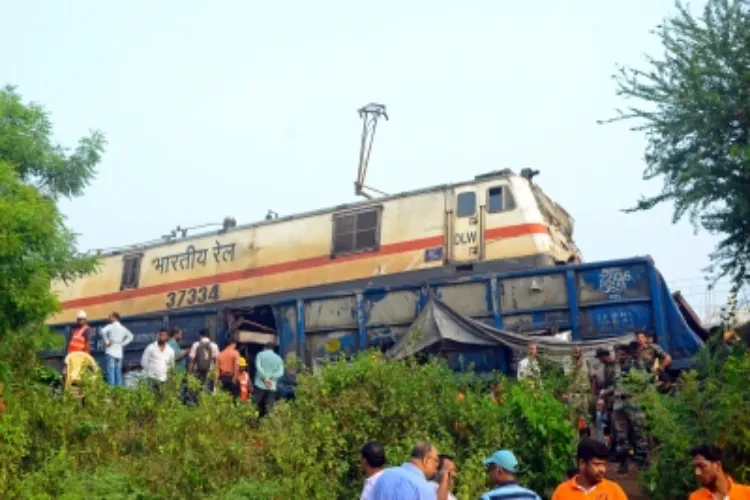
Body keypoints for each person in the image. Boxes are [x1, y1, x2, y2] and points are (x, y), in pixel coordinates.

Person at [371, 441, 454, 500]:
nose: (437, 465)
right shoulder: (424, 488)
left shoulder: (385, 475)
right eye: (436, 460)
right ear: (426, 460)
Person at [612, 343, 649, 473]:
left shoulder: (635, 365)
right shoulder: (616, 367)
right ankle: (623, 462)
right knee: (621, 435)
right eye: (618, 354)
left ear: (627, 354)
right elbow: (615, 384)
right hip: (618, 404)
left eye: (622, 354)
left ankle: (642, 461)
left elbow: (644, 380)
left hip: (633, 402)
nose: (620, 356)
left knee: (639, 432)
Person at [551, 439, 628, 500]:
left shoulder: (613, 491)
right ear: (582, 463)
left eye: (604, 464)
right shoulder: (562, 492)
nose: (602, 470)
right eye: (597, 464)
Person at [99, 312, 134, 387]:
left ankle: (112, 391)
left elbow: (102, 331)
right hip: (119, 352)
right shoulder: (122, 328)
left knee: (111, 372)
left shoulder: (110, 326)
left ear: (115, 317)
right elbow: (131, 336)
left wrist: (106, 341)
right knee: (118, 372)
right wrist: (123, 344)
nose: (108, 318)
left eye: (110, 316)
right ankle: (119, 391)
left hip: (111, 350)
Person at [253, 342, 284, 417]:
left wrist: (265, 378)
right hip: (271, 386)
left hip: (260, 384)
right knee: (269, 406)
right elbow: (280, 372)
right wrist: (271, 377)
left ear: (265, 347)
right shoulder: (278, 358)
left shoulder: (260, 354)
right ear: (273, 349)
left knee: (255, 404)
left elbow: (258, 367)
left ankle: (252, 421)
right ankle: (268, 424)